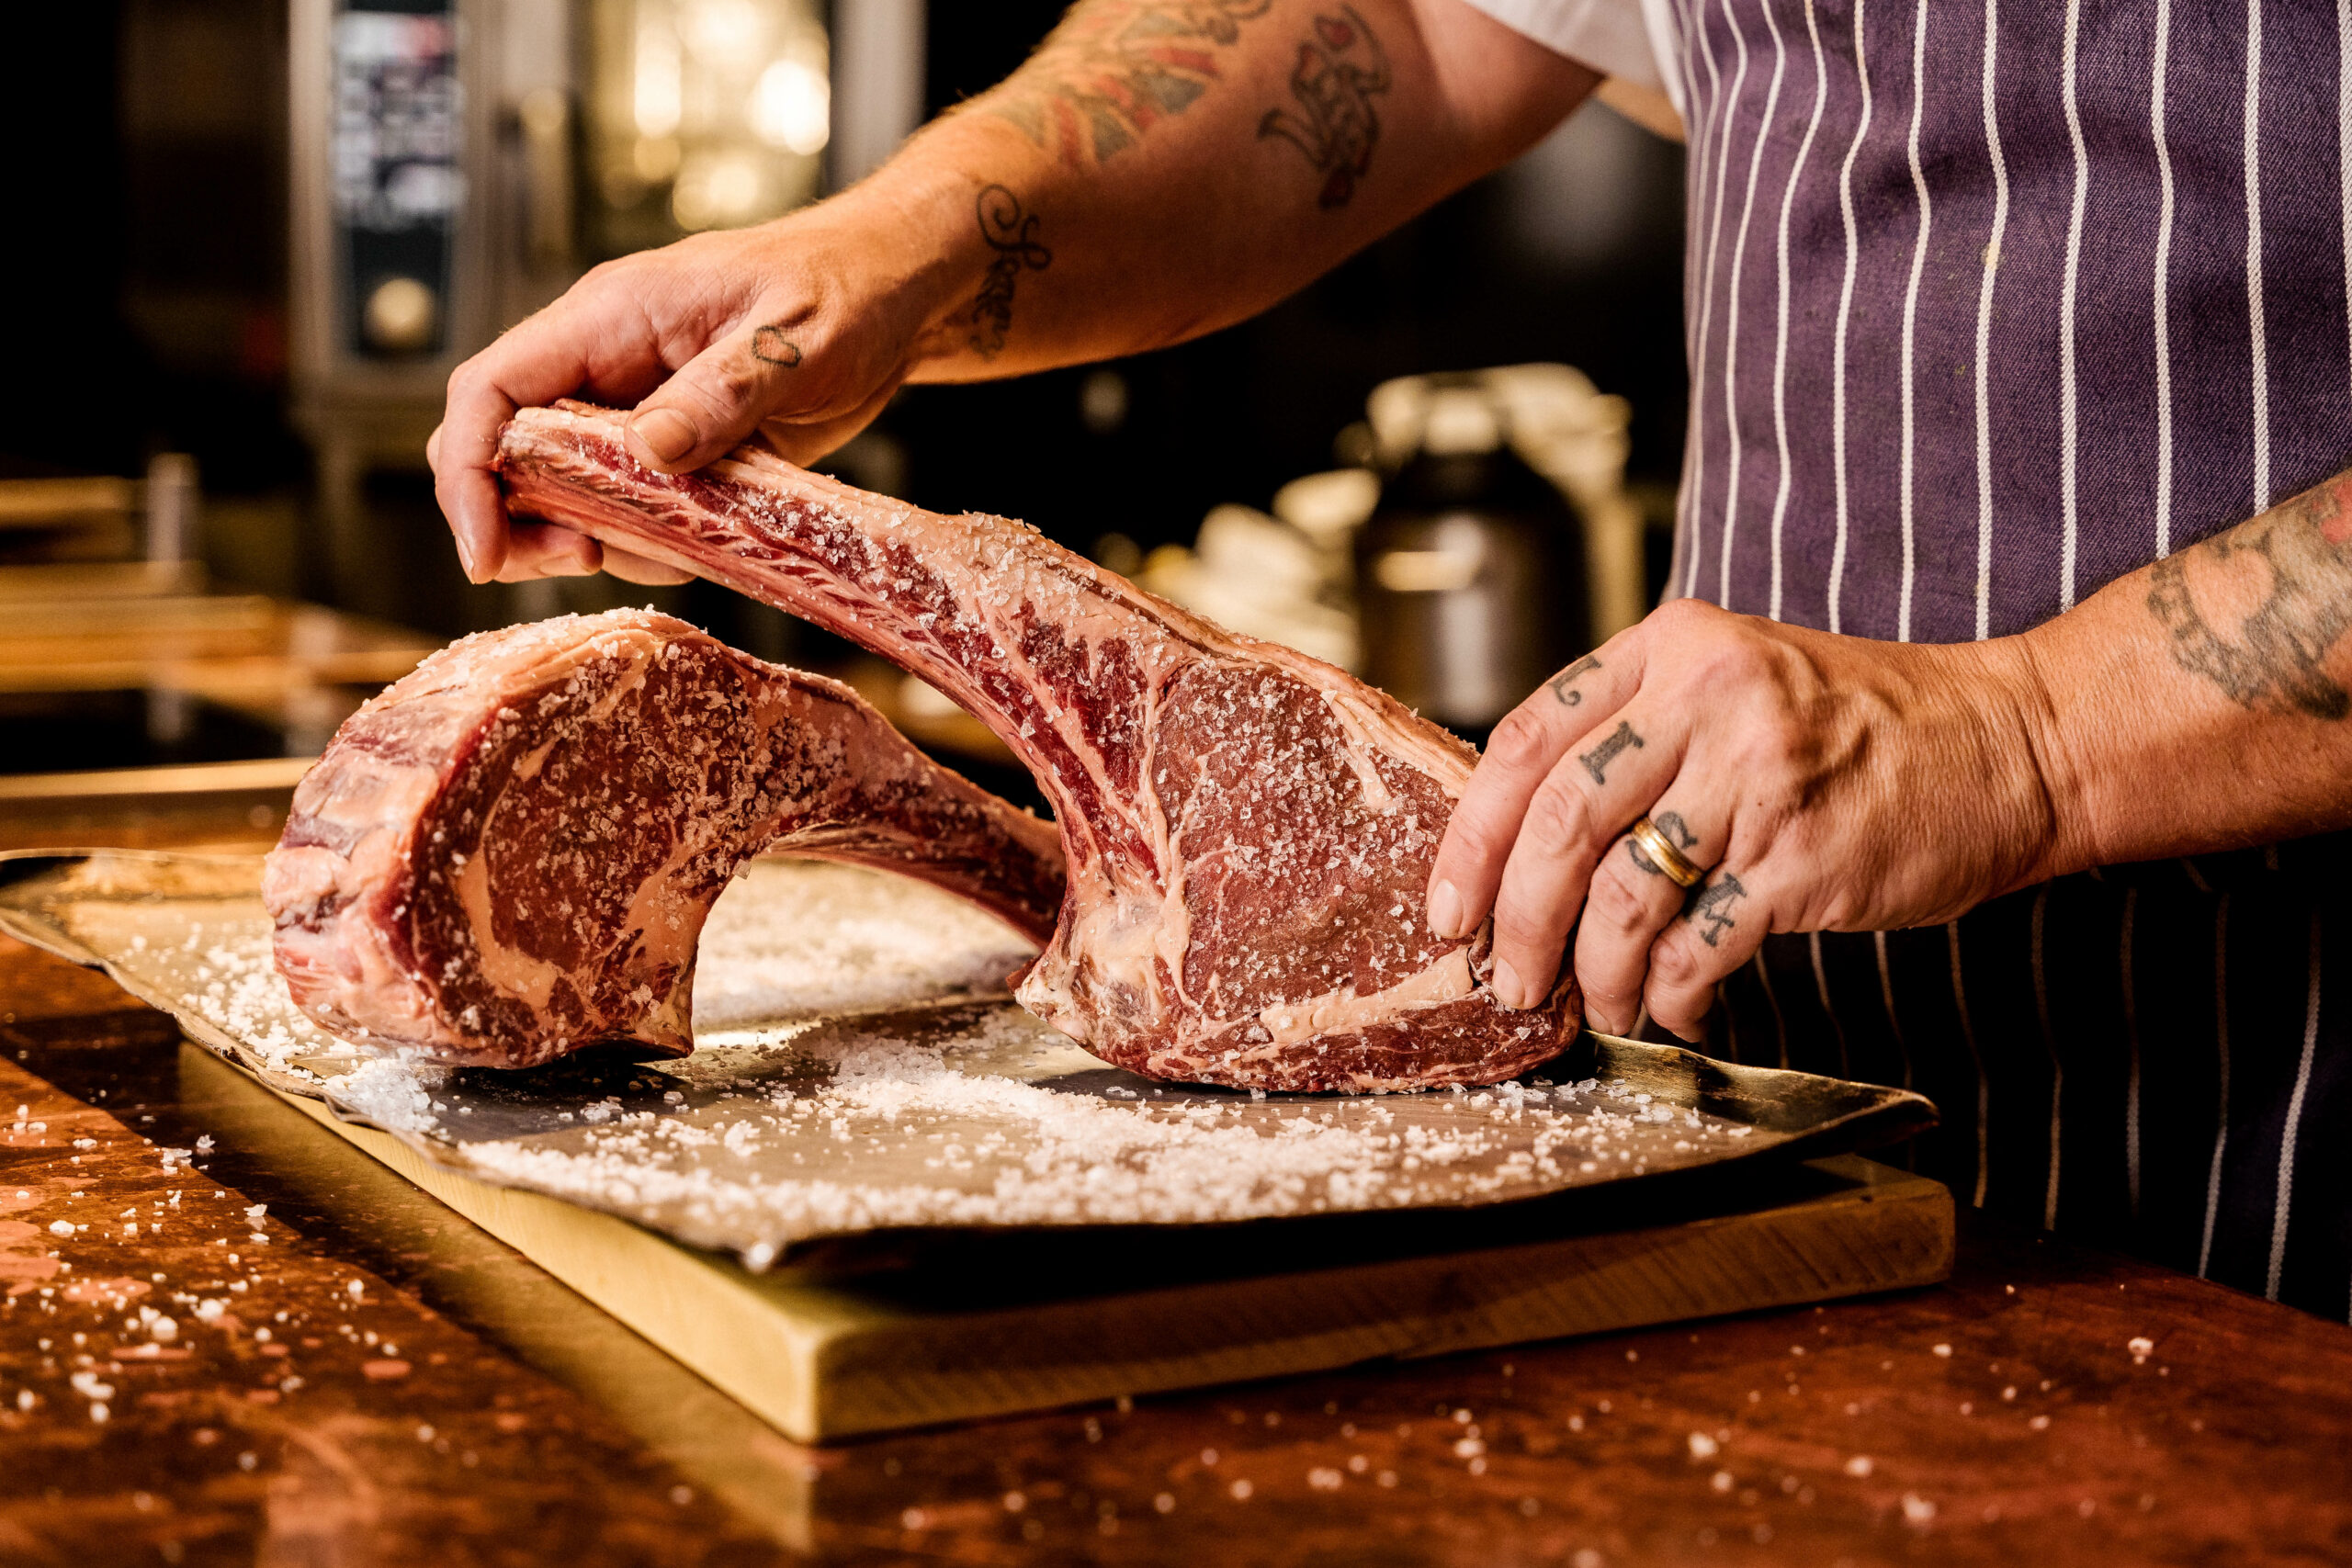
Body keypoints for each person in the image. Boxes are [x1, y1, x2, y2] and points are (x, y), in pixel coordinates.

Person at [430, 0, 2352, 1317]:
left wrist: (2032, 734)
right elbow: (1420, 28)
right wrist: (905, 246)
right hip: (1783, 1090)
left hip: (2287, 1147)